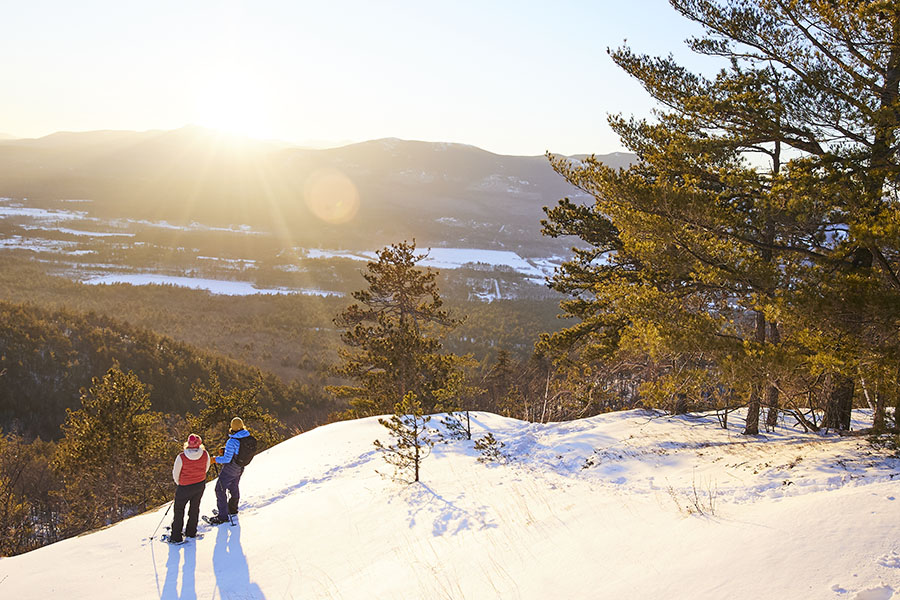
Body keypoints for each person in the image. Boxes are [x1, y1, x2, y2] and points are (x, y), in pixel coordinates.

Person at [168, 433, 210, 543]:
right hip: (199, 484)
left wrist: (180, 483)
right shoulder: (205, 454)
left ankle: (176, 536)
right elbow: (206, 467)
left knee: (179, 510)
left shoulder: (181, 457)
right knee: (194, 508)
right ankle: (191, 532)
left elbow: (175, 473)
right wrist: (199, 476)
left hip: (184, 486)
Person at [208, 417, 251, 525]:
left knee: (219, 489)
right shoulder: (247, 437)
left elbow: (227, 459)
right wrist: (226, 450)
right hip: (240, 468)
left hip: (230, 469)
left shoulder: (232, 441)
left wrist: (215, 460)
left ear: (232, 428)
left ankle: (222, 516)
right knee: (234, 486)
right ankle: (233, 509)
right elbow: (237, 452)